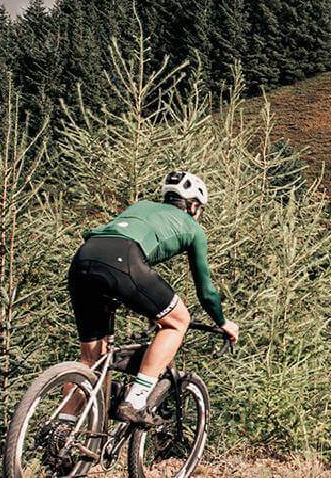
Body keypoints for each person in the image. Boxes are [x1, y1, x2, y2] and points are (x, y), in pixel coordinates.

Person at [64, 170, 238, 427]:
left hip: (83, 258)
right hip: (123, 259)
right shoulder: (194, 228)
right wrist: (223, 322)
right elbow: (206, 291)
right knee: (178, 321)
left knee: (91, 359)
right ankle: (135, 400)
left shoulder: (142, 206)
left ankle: (62, 424)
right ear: (192, 206)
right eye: (199, 208)